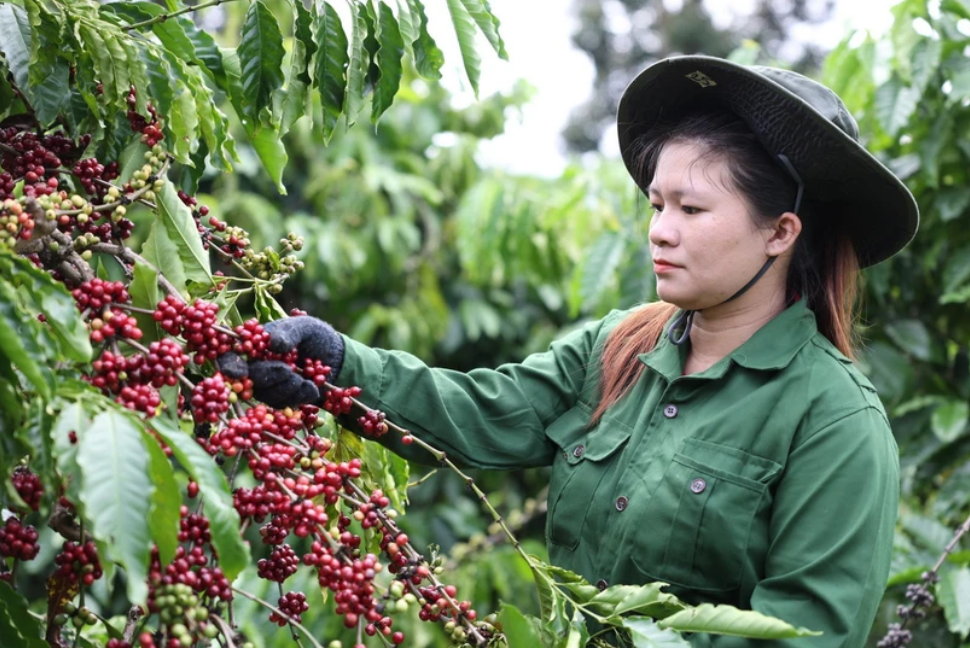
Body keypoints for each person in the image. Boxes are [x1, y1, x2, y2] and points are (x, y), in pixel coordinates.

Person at [220, 56, 919, 647]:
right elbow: (481, 412)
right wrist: (338, 363)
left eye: (692, 210)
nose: (661, 233)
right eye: (656, 206)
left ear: (780, 232)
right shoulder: (619, 345)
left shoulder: (834, 422)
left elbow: (805, 632)